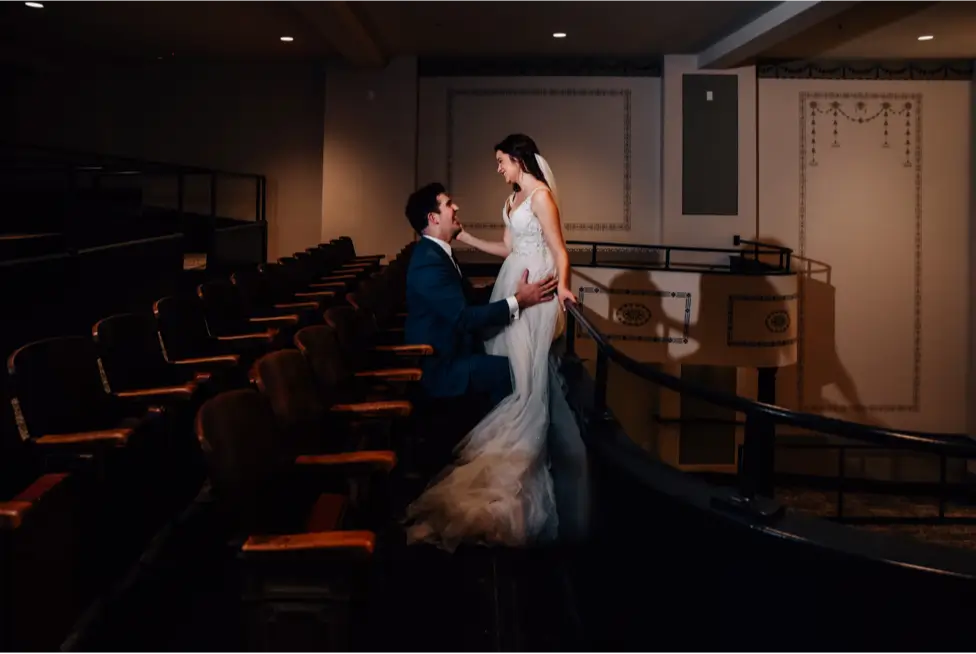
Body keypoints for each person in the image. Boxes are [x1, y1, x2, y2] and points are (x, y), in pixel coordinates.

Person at [403, 133, 588, 552]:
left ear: (519, 160)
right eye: (448, 205)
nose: (498, 169)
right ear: (433, 219)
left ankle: (513, 446)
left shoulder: (540, 196)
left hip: (530, 286)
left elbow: (559, 250)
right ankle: (496, 442)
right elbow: (507, 248)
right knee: (515, 373)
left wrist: (563, 289)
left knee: (526, 373)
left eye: (501, 161)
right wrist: (470, 244)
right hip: (508, 290)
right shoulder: (509, 203)